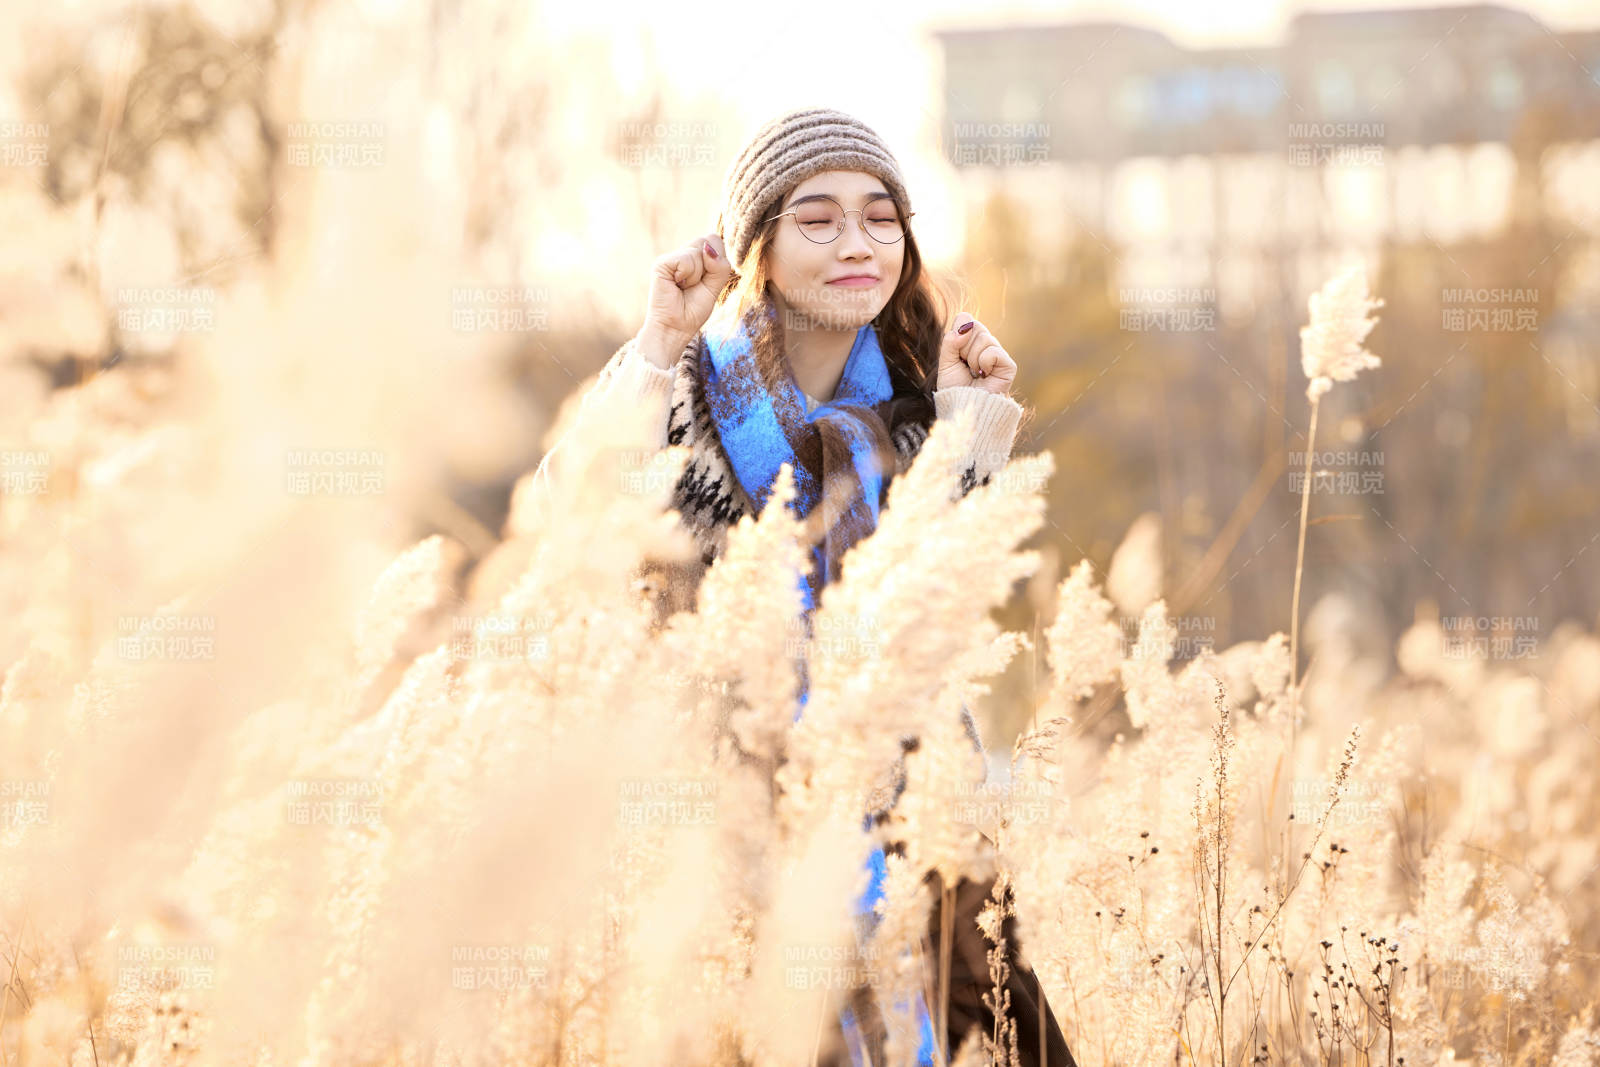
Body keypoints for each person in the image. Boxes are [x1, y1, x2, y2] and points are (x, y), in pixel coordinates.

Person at [531, 106, 1075, 1066]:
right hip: (731, 824)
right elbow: (568, 514)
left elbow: (944, 604)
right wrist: (657, 338)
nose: (857, 243)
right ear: (762, 252)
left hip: (914, 821)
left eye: (880, 217)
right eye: (818, 220)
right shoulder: (686, 389)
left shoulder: (916, 405)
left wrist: (970, 430)